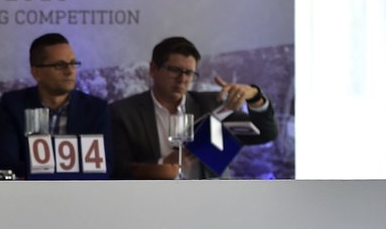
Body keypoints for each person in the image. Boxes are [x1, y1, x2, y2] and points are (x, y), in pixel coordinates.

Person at [110, 36, 278, 179]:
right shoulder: (123, 113)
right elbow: (116, 170)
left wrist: (256, 98)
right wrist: (162, 165)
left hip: (209, 205)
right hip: (153, 204)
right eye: (174, 70)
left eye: (189, 73)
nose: (182, 79)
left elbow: (265, 133)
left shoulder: (213, 105)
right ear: (153, 69)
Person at [0, 33, 110, 178]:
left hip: (81, 195)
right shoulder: (14, 106)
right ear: (36, 72)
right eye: (60, 65)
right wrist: (53, 175)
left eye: (73, 63)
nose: (70, 71)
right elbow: (2, 161)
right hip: (26, 194)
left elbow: (104, 167)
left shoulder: (95, 109)